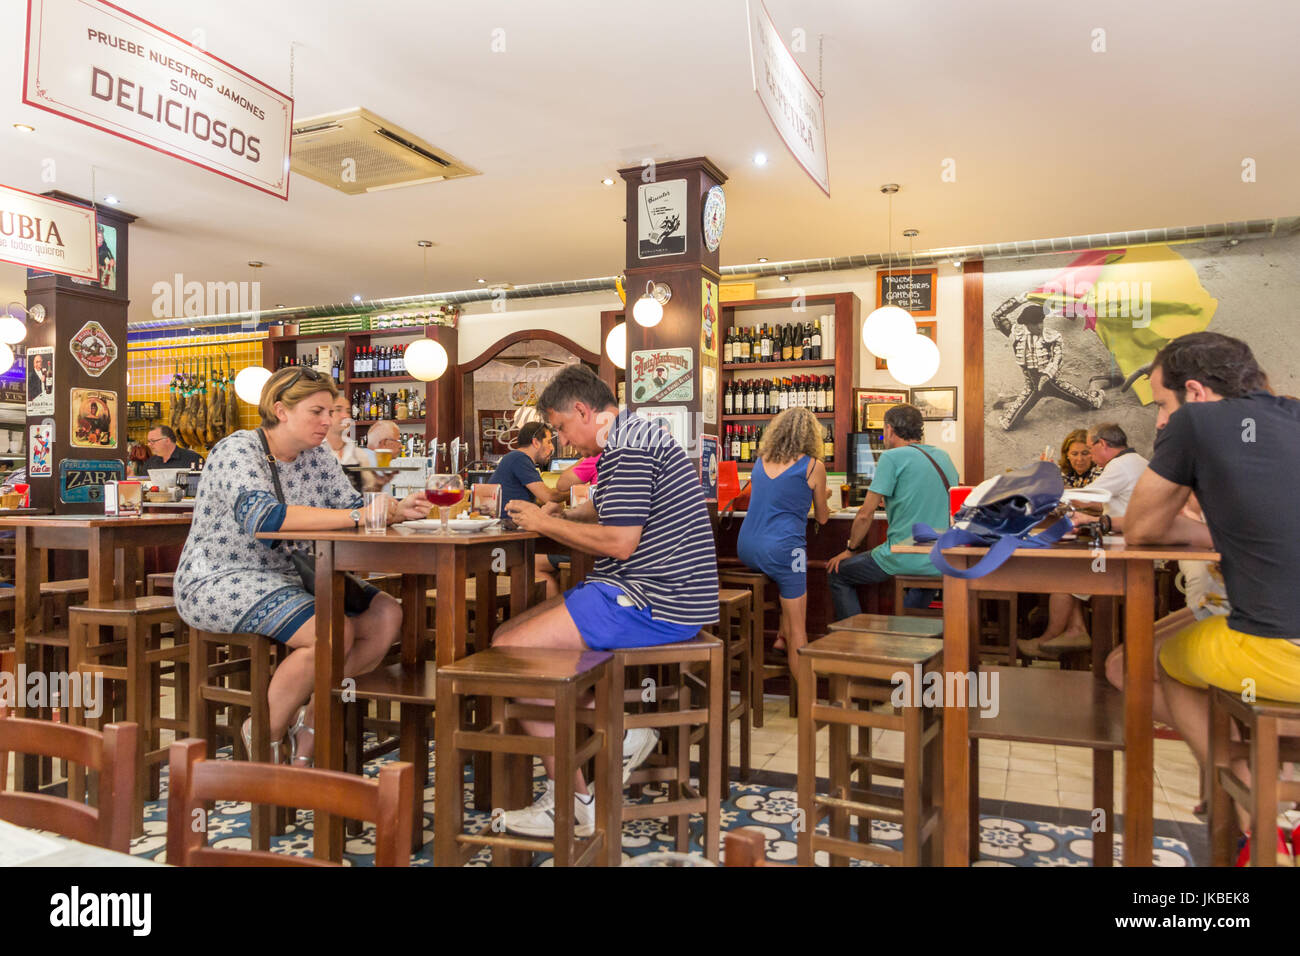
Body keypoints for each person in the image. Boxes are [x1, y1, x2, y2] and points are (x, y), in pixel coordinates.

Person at [492, 364, 719, 838]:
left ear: (581, 410)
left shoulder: (628, 448)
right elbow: (615, 504)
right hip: (659, 592)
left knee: (510, 653)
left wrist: (544, 522)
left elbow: (619, 542)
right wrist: (568, 510)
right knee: (510, 639)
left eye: (560, 427)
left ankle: (578, 790)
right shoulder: (635, 434)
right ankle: (587, 779)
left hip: (655, 600)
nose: (563, 439)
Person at [173, 366, 431, 765]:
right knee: (333, 631)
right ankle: (264, 731)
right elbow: (261, 518)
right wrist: (356, 518)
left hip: (295, 575)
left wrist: (396, 509)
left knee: (386, 615)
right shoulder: (238, 450)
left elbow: (350, 505)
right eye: (318, 412)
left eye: (331, 412)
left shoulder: (316, 456)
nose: (330, 421)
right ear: (281, 410)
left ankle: (309, 728)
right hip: (219, 577)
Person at [1125, 332, 1300, 854]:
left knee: (1163, 659)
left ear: (1195, 392)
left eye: (1161, 405)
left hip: (1283, 649)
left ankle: (1255, 814)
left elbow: (1139, 530)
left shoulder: (1195, 423)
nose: (1161, 420)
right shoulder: (1291, 412)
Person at [1019, 422, 1150, 657]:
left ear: (1102, 444)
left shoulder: (1120, 466)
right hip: (1133, 545)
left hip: (1125, 549)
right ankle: (1075, 630)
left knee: (1063, 574)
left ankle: (1045, 643)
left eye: (1089, 449)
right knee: (1070, 566)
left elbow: (1086, 497)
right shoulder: (1138, 461)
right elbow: (1100, 501)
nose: (1088, 456)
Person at [826, 404, 958, 620]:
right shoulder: (943, 456)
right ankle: (907, 633)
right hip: (940, 558)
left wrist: (850, 548)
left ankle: (853, 636)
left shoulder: (892, 457)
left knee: (838, 574)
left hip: (904, 556)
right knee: (921, 585)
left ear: (888, 429)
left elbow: (864, 514)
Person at [736, 407, 830, 678]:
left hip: (747, 547)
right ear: (812, 435)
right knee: (799, 625)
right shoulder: (814, 466)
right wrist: (823, 494)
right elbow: (822, 518)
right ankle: (805, 707)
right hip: (785, 551)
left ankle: (779, 635)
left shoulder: (760, 461)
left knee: (786, 585)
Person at [992, 299, 1103, 431]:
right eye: (1035, 324)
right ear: (1027, 324)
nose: (1040, 326)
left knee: (1092, 404)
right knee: (1008, 424)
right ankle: (1009, 399)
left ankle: (1096, 384)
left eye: (1041, 322)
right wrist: (1021, 299)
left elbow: (1057, 358)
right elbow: (997, 316)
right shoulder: (1017, 333)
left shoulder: (1053, 336)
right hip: (1032, 387)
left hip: (1052, 383)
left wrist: (1047, 375)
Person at [490, 421, 568, 597]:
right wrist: (573, 492)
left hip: (512, 533)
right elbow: (547, 496)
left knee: (540, 567)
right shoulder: (519, 458)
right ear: (535, 442)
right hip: (508, 537)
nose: (552, 448)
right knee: (536, 564)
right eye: (548, 442)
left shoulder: (516, 459)